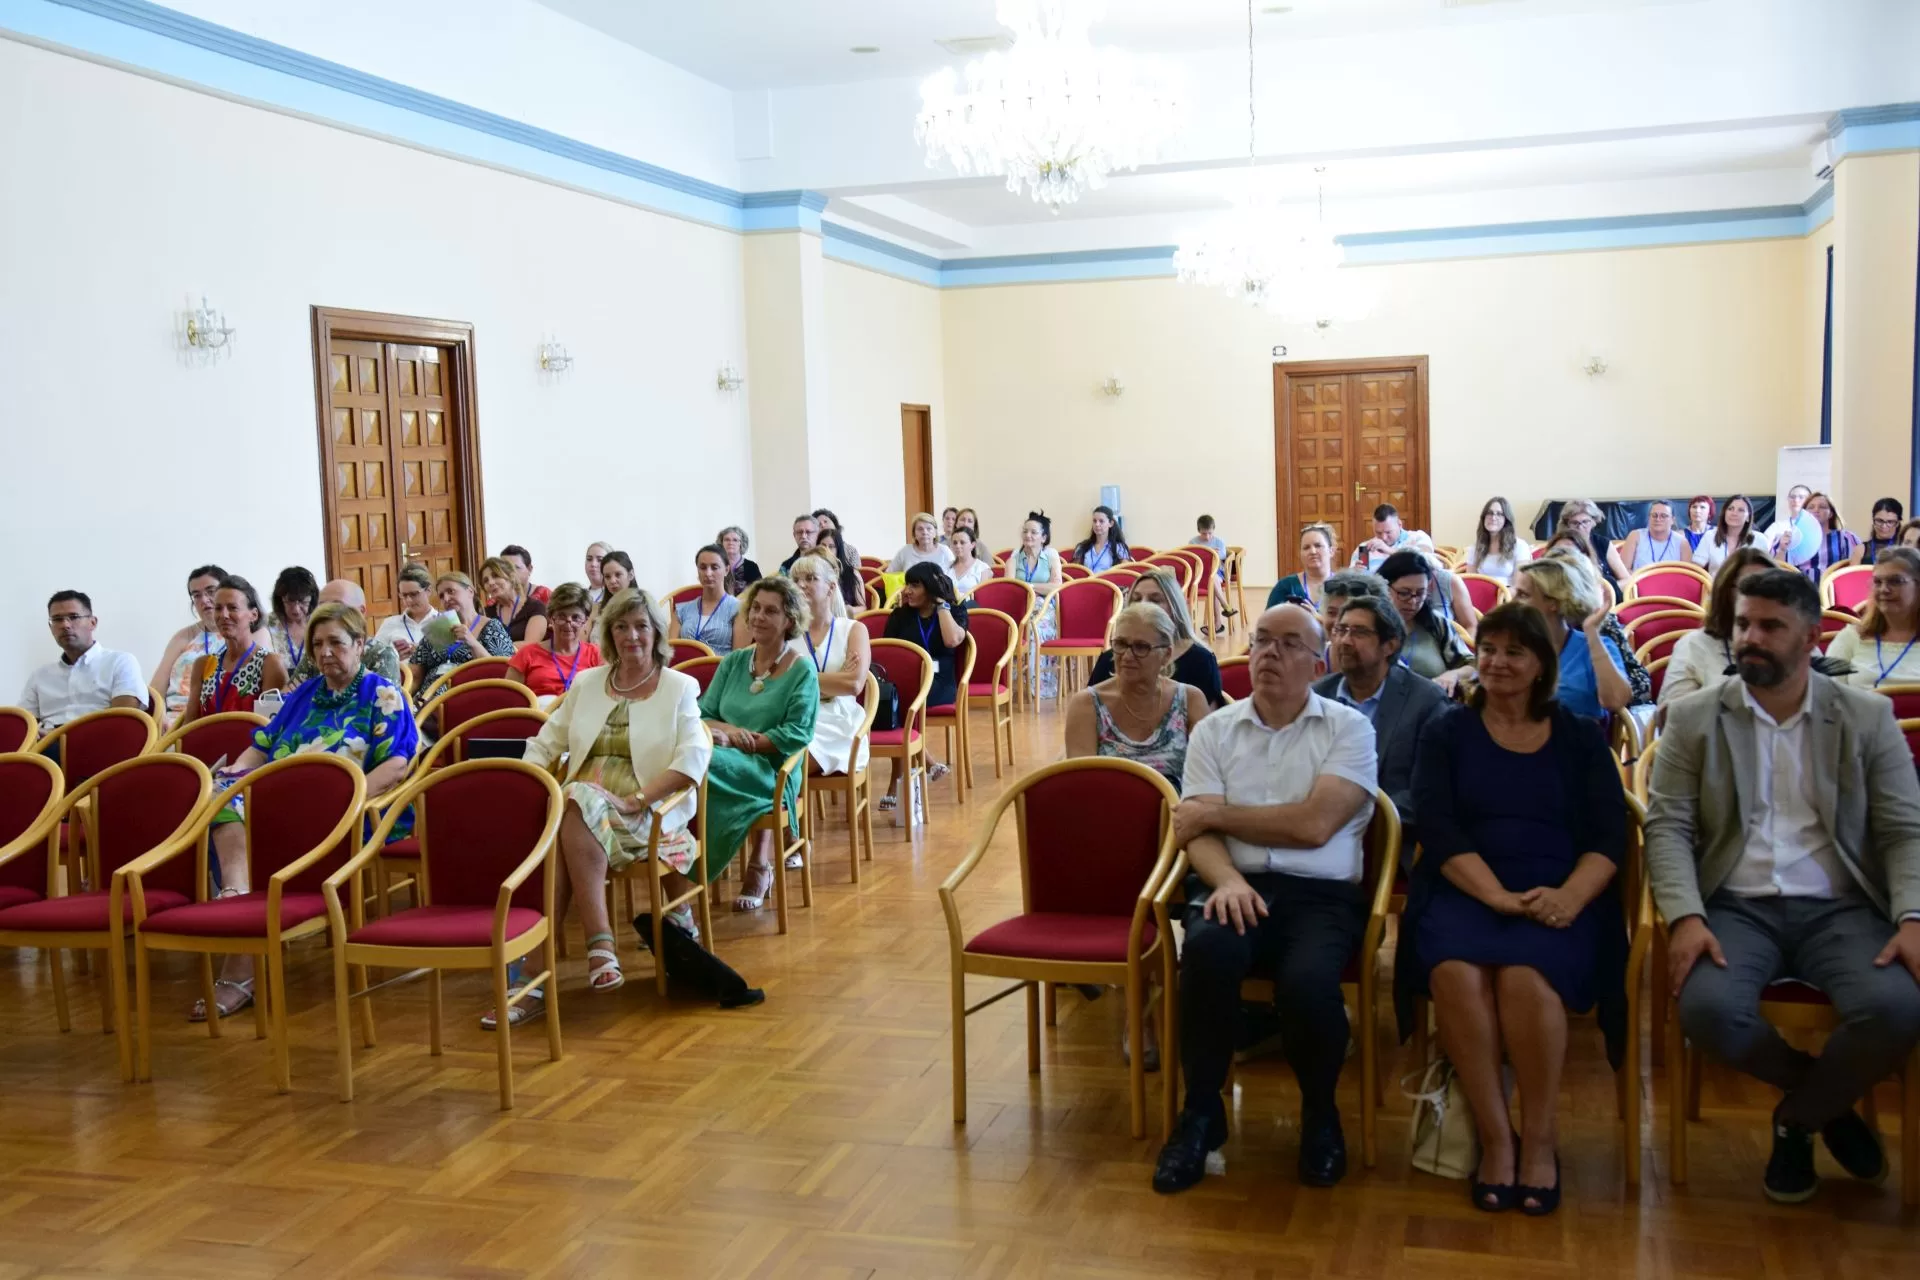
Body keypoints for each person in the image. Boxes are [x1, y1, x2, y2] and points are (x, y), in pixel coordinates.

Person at [1648, 568, 1920, 1204]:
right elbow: (1667, 828)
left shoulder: (1866, 716)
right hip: (1735, 905)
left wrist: (1912, 918)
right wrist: (1685, 916)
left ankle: (1798, 1118)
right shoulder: (1694, 717)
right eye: (1744, 624)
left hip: (1842, 907)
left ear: (1811, 638)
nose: (1751, 637)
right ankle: (1828, 1103)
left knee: (1898, 1007)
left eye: (1771, 626)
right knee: (1709, 1011)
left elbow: (1904, 830)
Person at [1403, 602, 1628, 1215]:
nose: (1497, 662)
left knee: (1527, 979)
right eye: (1488, 649)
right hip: (1467, 885)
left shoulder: (1579, 736)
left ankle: (1541, 1138)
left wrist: (1570, 897)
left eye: (1514, 652)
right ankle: (1497, 1137)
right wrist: (1496, 896)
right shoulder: (1447, 731)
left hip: (1559, 892)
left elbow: (1610, 834)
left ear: (1541, 665)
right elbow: (1438, 829)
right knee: (1455, 972)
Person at [1153, 603, 1378, 1194]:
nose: (1270, 653)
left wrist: (1218, 815)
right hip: (1233, 882)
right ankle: (1201, 1116)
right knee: (1207, 956)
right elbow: (1194, 834)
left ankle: (1321, 1117)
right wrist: (1226, 878)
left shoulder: (1349, 729)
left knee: (1307, 983)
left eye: (1288, 643)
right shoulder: (1214, 730)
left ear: (1318, 664)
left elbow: (1314, 826)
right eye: (1261, 641)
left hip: (1321, 895)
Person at [197, 602, 418, 1019]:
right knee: (221, 796)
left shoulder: (383, 695)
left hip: (348, 812)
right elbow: (262, 745)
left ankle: (240, 958)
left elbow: (396, 765)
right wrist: (235, 772)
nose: (325, 652)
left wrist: (346, 802)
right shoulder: (304, 694)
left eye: (336, 642)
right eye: (317, 644)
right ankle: (238, 895)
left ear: (360, 644)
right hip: (280, 804)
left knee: (255, 820)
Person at [520, 586, 709, 994]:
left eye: (641, 626)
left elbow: (694, 758)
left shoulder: (679, 686)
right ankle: (573, 959)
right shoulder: (587, 683)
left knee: (568, 808)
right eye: (621, 627)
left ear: (656, 633)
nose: (631, 635)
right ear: (609, 635)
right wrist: (527, 780)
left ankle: (545, 969)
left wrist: (635, 799)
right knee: (570, 804)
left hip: (645, 809)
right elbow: (545, 742)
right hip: (580, 807)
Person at [700, 577, 820, 913]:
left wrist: (747, 744)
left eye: (770, 611)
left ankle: (748, 865)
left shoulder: (802, 670)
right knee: (691, 764)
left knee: (702, 765)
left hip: (774, 767)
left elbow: (797, 733)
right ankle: (691, 861)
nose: (758, 617)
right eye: (755, 608)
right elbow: (703, 714)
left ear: (789, 620)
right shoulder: (733, 662)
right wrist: (729, 732)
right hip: (726, 755)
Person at [1313, 594, 1447, 847]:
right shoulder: (1318, 695)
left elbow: (1430, 789)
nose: (1344, 641)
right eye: (1341, 630)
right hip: (1316, 831)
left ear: (1390, 645)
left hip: (1389, 839)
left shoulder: (1425, 701)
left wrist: (1364, 819)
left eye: (1359, 632)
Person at [1067, 601, 1209, 792]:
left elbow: (1208, 781)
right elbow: (1082, 787)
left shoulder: (1190, 700)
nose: (1127, 656)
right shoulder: (1087, 705)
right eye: (1120, 644)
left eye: (1141, 647)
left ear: (1166, 655)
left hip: (1179, 809)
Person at [882, 563, 971, 804]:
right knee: (896, 701)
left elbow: (952, 640)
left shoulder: (955, 611)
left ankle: (895, 783)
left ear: (931, 588)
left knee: (899, 706)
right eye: (907, 585)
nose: (907, 590)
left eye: (915, 585)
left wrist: (941, 606)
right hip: (906, 682)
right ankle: (929, 763)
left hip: (940, 682)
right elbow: (888, 652)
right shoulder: (900, 615)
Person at [1510, 556, 1631, 720]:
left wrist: (1592, 632)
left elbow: (1615, 701)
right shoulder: (1511, 646)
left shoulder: (1595, 646)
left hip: (1577, 735)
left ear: (1553, 603)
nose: (1513, 602)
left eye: (1523, 595)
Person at [1660, 547, 1778, 713]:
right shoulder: (1694, 646)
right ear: (1726, 592)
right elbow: (1671, 717)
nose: (1760, 597)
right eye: (1749, 587)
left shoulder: (1794, 644)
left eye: (1769, 588)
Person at [1088, 567, 1224, 707]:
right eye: (1136, 599)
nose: (1143, 605)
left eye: (1155, 600)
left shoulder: (1200, 660)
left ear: (1174, 608)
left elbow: (1209, 718)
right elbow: (1090, 708)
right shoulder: (1110, 658)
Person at [789, 553, 873, 781]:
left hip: (840, 722)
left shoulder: (853, 629)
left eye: (810, 578)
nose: (801, 585)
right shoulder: (786, 634)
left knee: (786, 767)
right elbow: (778, 686)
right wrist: (834, 681)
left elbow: (853, 685)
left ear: (831, 587)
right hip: (796, 715)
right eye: (795, 580)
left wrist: (798, 681)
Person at [20, 591, 147, 732]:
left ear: (92, 622)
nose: (65, 625)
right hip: (47, 742)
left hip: (100, 738)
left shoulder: (120, 662)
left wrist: (69, 736)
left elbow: (125, 716)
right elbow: (22, 725)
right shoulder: (40, 676)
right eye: (57, 619)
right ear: (51, 627)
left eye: (73, 617)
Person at [153, 564, 259, 726]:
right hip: (172, 720)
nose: (204, 600)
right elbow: (156, 689)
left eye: (211, 591)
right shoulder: (183, 636)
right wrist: (162, 720)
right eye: (196, 595)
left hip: (219, 717)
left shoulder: (251, 634)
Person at [178, 576, 289, 724]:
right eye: (218, 608)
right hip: (205, 739)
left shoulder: (269, 664)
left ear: (253, 615)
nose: (224, 615)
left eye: (233, 608)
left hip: (251, 740)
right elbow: (189, 726)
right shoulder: (203, 665)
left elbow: (271, 728)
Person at [408, 569, 516, 699]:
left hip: (470, 699)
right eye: (441, 596)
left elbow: (503, 673)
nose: (446, 598)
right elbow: (415, 676)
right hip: (428, 699)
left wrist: (472, 643)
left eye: (451, 591)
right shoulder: (438, 628)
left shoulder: (491, 627)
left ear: (470, 591)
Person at [1824, 546, 1920, 689]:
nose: (1884, 589)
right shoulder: (1851, 638)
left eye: (1895, 581)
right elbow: (1828, 694)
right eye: (1877, 582)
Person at [1380, 550, 1473, 683]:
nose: (1413, 601)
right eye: (1404, 593)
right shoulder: (1370, 624)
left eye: (1420, 593)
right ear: (1384, 587)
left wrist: (1454, 675)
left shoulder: (1435, 622)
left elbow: (1472, 665)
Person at [507, 581, 604, 706]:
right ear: (551, 618)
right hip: (540, 715)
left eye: (575, 617)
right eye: (561, 616)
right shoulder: (527, 654)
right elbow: (509, 701)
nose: (568, 623)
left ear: (585, 621)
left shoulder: (596, 654)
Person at [289, 581, 403, 686]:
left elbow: (384, 697)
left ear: (360, 612)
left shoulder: (382, 654)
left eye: (336, 607)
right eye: (322, 607)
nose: (326, 614)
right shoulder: (319, 650)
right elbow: (289, 692)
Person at [1006, 513, 1065, 700]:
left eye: (1033, 532)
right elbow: (1009, 587)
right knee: (1016, 628)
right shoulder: (1015, 557)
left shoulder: (1051, 555)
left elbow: (1056, 586)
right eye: (1025, 531)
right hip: (1019, 606)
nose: (1028, 535)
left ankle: (1039, 685)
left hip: (1043, 606)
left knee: (1034, 629)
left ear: (1043, 537)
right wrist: (1039, 587)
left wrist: (1029, 586)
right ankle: (1015, 684)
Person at [671, 545, 742, 655]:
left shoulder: (738, 609)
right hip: (685, 665)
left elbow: (738, 658)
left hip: (722, 665)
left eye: (714, 567)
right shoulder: (682, 610)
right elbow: (670, 652)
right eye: (703, 568)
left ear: (726, 570)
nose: (708, 573)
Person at [1789, 492, 1859, 585]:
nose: (1816, 510)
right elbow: (1782, 567)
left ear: (1831, 514)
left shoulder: (1846, 537)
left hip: (1834, 589)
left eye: (1822, 507)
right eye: (1811, 507)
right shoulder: (1795, 539)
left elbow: (1855, 569)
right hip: (1801, 589)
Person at [1609, 500, 1691, 580]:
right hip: (1639, 586)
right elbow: (1623, 572)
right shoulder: (1635, 536)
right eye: (1654, 515)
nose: (1658, 519)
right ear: (1649, 518)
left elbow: (1686, 576)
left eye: (1663, 516)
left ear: (1672, 520)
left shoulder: (1682, 543)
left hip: (1672, 586)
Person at [1269, 524, 1339, 612]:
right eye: (1306, 548)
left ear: (1331, 551)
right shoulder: (1286, 586)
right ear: (1300, 554)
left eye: (1318, 545)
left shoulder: (1343, 586)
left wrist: (1316, 617)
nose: (1313, 551)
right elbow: (1267, 619)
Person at [479, 555, 547, 644]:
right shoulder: (485, 614)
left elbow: (530, 645)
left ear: (511, 576)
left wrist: (496, 649)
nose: (491, 582)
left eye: (496, 576)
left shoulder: (535, 607)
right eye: (486, 581)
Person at [1554, 500, 1619, 592]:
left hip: (1605, 594)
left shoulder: (1603, 543)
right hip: (1572, 595)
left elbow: (1627, 579)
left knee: (1610, 580)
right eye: (1574, 523)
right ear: (1567, 524)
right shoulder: (1562, 544)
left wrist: (1608, 588)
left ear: (1594, 521)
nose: (1580, 527)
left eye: (1585, 522)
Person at [1463, 497, 1530, 583]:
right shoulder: (1475, 548)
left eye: (1499, 514)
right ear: (1484, 518)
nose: (1493, 518)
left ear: (1506, 519)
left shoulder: (1520, 546)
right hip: (1481, 590)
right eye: (1489, 513)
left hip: (1507, 591)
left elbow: (1519, 586)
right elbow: (1470, 581)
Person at [1351, 503, 1434, 572]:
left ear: (1399, 525)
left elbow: (1431, 564)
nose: (1383, 538)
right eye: (1378, 533)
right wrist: (1354, 572)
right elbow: (1351, 578)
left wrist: (1389, 550)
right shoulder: (1365, 547)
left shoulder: (1417, 538)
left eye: (1388, 532)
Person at [1695, 494, 1767, 572]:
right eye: (1730, 509)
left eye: (1741, 510)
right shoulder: (1710, 536)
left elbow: (1766, 571)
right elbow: (1695, 567)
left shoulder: (1760, 539)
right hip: (1716, 580)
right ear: (1724, 513)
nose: (1734, 513)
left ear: (1748, 517)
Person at [267, 567, 319, 671]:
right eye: (290, 601)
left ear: (312, 599)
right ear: (280, 599)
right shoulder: (267, 623)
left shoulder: (320, 621)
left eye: (303, 601)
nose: (296, 609)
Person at [1190, 514, 1233, 622]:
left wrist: (1207, 553)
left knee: (1212, 579)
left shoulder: (1219, 541)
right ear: (1199, 530)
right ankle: (1224, 607)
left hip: (1217, 571)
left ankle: (1218, 620)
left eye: (1210, 533)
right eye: (1204, 534)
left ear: (1213, 530)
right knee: (1212, 581)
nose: (1207, 537)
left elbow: (1222, 556)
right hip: (1200, 573)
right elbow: (1191, 558)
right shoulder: (1193, 542)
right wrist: (1210, 553)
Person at [811, 528, 866, 609]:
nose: (826, 550)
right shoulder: (810, 572)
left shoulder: (853, 573)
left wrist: (851, 610)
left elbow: (863, 607)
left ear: (838, 550)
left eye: (831, 547)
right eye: (823, 545)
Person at [1764, 485, 1819, 565]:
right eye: (1792, 497)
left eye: (1801, 497)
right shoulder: (1777, 527)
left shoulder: (1817, 527)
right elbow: (1763, 550)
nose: (1796, 500)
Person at [888, 512, 955, 573]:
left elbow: (954, 577)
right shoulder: (905, 551)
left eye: (929, 529)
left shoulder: (944, 551)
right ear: (914, 534)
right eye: (920, 529)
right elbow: (889, 573)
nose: (925, 532)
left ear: (935, 532)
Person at [1073, 505, 1131, 574]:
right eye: (1094, 521)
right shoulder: (1083, 547)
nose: (1097, 524)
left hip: (1108, 581)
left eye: (1101, 521)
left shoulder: (1119, 548)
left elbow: (1126, 574)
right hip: (1087, 580)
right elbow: (1075, 573)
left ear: (1111, 523)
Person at [1853, 499, 1905, 567]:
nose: (1884, 526)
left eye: (1890, 522)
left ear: (1897, 523)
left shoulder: (1905, 548)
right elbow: (1853, 573)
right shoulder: (1861, 549)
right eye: (1879, 521)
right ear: (1873, 520)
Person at [716, 526, 762, 597]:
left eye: (735, 540)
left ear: (741, 544)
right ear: (721, 543)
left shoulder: (751, 566)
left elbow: (758, 591)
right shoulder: (716, 565)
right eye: (727, 540)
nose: (730, 543)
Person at [947, 527, 994, 596]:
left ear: (973, 545)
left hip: (971, 602)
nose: (958, 546)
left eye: (962, 542)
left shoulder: (982, 568)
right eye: (955, 543)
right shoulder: (947, 566)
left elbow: (984, 596)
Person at [581, 541, 613, 606]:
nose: (593, 564)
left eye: (600, 560)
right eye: (589, 559)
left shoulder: (616, 596)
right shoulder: (579, 596)